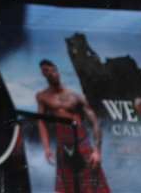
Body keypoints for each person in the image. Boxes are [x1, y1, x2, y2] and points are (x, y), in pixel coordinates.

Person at [34, 59, 110, 193]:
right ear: (43, 74)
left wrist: (97, 151)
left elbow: (95, 123)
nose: (51, 73)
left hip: (81, 144)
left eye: (53, 70)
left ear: (57, 71)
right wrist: (46, 147)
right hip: (63, 146)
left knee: (91, 186)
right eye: (46, 71)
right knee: (67, 187)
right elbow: (41, 121)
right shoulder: (42, 97)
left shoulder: (75, 96)